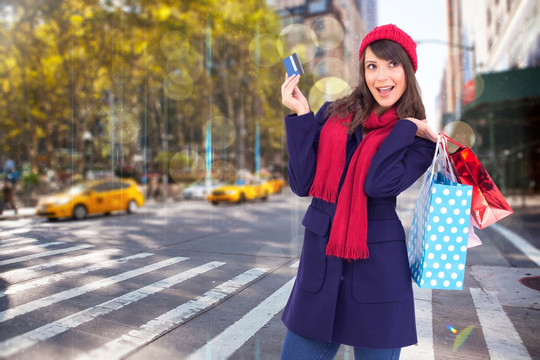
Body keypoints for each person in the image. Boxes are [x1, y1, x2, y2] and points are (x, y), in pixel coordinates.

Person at [279, 24, 438, 360]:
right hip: (321, 265)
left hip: (377, 272)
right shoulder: (334, 114)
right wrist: (302, 115)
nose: (382, 76)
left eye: (392, 65)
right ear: (363, 71)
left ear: (408, 70)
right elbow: (302, 183)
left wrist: (406, 126)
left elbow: (377, 185)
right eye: (372, 65)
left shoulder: (418, 140)